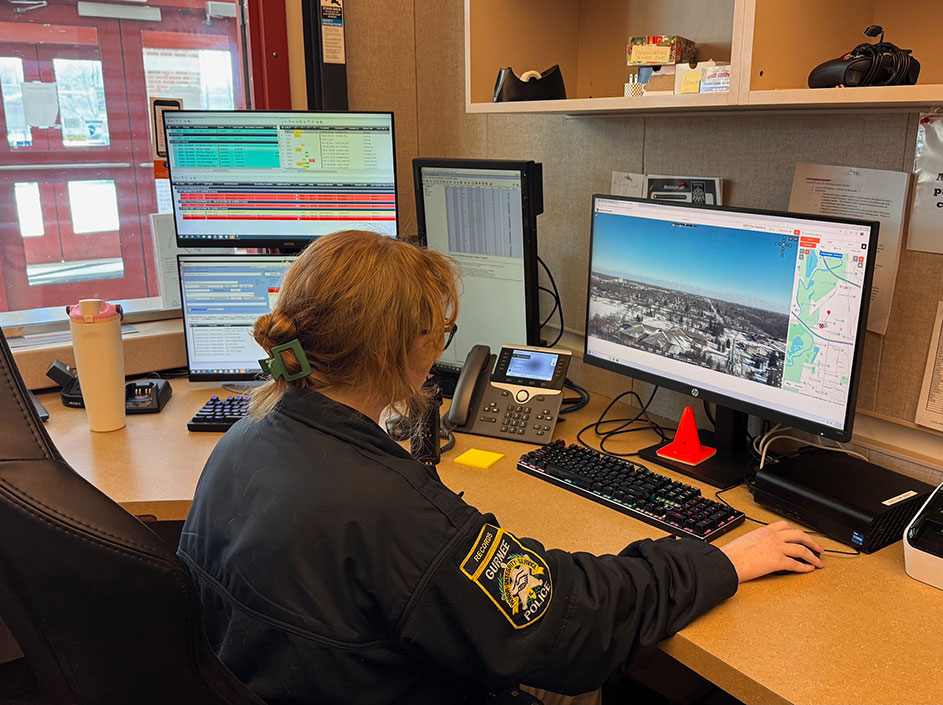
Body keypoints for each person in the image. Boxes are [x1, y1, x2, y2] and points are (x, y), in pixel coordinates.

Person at [178, 230, 825, 705]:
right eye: (437, 334)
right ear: (393, 349)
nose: (437, 353)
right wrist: (719, 560)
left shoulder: (245, 438)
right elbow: (571, 628)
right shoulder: (394, 508)